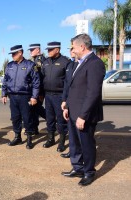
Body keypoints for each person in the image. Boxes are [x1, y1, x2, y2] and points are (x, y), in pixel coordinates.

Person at [62, 33, 105, 186]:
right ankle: (78, 167)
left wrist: (83, 116)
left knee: (86, 144)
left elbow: (93, 92)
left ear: (82, 46)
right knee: (75, 144)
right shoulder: (79, 62)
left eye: (73, 47)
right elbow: (74, 88)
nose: (72, 50)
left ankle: (89, 172)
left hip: (84, 115)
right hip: (73, 111)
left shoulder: (95, 63)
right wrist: (67, 106)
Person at [1, 45, 40, 149]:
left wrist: (34, 97)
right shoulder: (9, 65)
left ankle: (29, 139)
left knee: (27, 118)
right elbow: (5, 81)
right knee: (15, 118)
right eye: (12, 54)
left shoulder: (30, 65)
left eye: (14, 54)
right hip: (12, 96)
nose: (12, 56)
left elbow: (36, 83)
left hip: (25, 96)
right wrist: (3, 94)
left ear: (20, 53)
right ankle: (17, 137)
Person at [42, 41, 70, 152]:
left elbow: (68, 82)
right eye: (47, 50)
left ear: (57, 50)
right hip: (48, 95)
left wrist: (65, 98)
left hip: (59, 95)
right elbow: (42, 77)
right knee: (49, 119)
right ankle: (51, 139)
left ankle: (62, 142)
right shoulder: (46, 62)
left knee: (61, 120)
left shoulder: (65, 62)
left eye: (50, 50)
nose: (48, 52)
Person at [60, 45, 78, 159]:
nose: (71, 51)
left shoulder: (81, 64)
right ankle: (72, 151)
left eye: (72, 48)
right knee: (71, 131)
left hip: (77, 102)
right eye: (70, 49)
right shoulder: (70, 64)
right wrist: (64, 100)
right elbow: (66, 85)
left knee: (78, 133)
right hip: (69, 101)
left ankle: (78, 154)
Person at [28, 43, 46, 135]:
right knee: (36, 109)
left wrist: (40, 93)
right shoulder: (36, 60)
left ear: (38, 50)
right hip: (38, 90)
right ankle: (34, 128)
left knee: (35, 110)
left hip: (39, 91)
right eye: (30, 50)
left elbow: (39, 77)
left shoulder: (39, 60)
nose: (30, 52)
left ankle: (34, 129)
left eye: (32, 50)